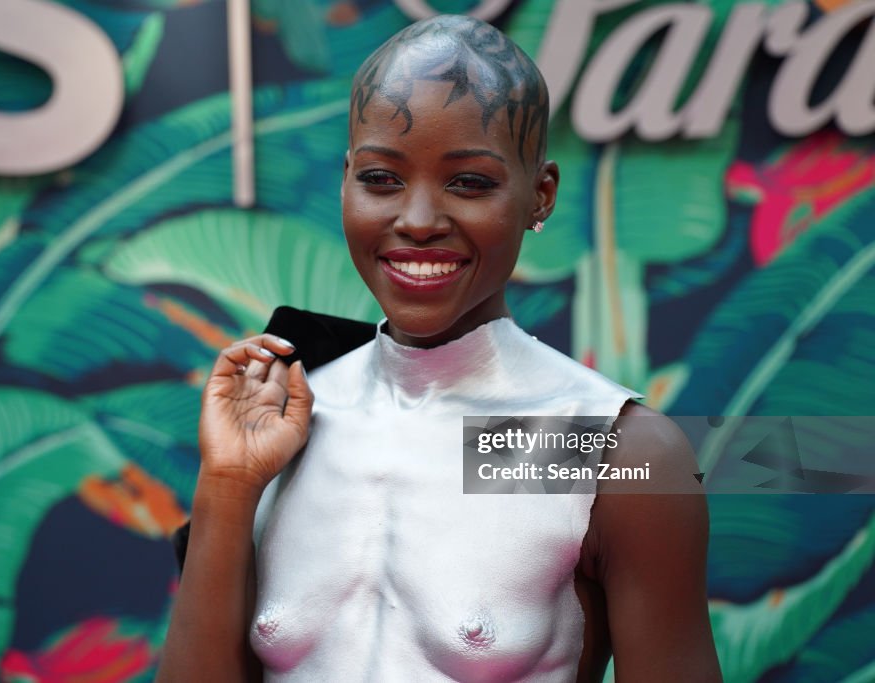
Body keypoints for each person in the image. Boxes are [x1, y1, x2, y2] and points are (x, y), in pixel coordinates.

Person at [156, 14, 721, 683]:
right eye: (381, 178)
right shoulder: (289, 419)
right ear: (345, 182)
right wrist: (227, 483)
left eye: (469, 182)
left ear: (539, 196)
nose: (418, 220)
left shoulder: (599, 445)